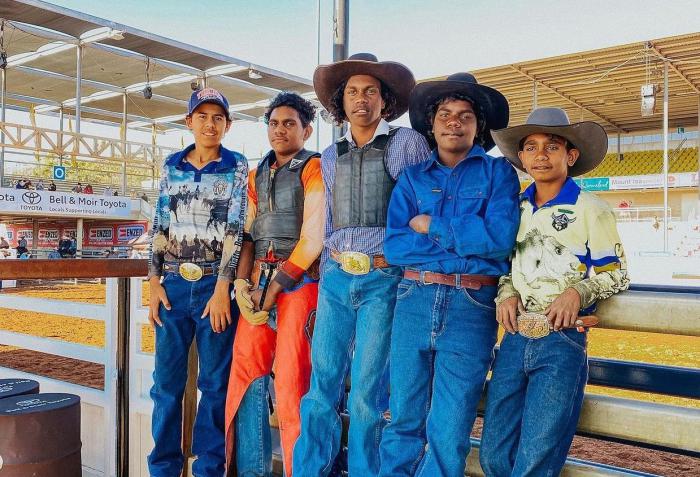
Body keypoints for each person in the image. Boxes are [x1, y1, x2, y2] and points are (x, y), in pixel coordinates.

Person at [293, 53, 431, 476]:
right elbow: (330, 220)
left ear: (385, 99)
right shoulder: (330, 154)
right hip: (337, 274)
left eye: (370, 91)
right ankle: (310, 470)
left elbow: (422, 207)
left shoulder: (407, 143)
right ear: (341, 100)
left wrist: (397, 255)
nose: (361, 99)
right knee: (321, 385)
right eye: (352, 91)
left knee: (368, 393)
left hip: (382, 276)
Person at [378, 72, 519, 476]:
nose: (454, 121)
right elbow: (396, 246)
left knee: (450, 425)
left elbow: (499, 239)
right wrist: (462, 243)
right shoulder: (412, 178)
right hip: (413, 298)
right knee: (403, 415)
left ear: (479, 126)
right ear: (431, 123)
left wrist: (432, 226)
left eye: (464, 115)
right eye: (445, 114)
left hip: (471, 305)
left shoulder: (499, 175)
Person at [479, 107, 630, 477]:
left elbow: (618, 272)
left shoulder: (591, 209)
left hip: (561, 340)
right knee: (493, 453)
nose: (541, 155)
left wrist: (578, 291)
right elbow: (506, 265)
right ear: (522, 157)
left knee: (537, 456)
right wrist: (506, 291)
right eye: (531, 147)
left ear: (571, 155)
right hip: (514, 338)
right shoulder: (515, 208)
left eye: (552, 146)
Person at [146, 87, 248, 477]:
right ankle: (163, 468)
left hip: (212, 287)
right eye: (202, 116)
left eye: (218, 117)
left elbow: (235, 229)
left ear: (228, 124)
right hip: (171, 284)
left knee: (215, 384)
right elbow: (160, 222)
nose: (210, 124)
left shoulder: (236, 166)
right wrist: (153, 282)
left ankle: (210, 468)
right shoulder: (172, 164)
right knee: (166, 385)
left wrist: (224, 288)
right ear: (189, 122)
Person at [225, 92, 325, 477]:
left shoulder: (314, 169)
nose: (280, 130)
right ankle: (252, 470)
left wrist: (273, 288)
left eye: (289, 123)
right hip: (257, 285)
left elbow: (312, 239)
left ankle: (298, 471)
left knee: (291, 381)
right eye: (274, 123)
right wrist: (239, 283)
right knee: (245, 374)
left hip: (298, 284)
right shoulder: (256, 174)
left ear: (306, 129)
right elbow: (248, 234)